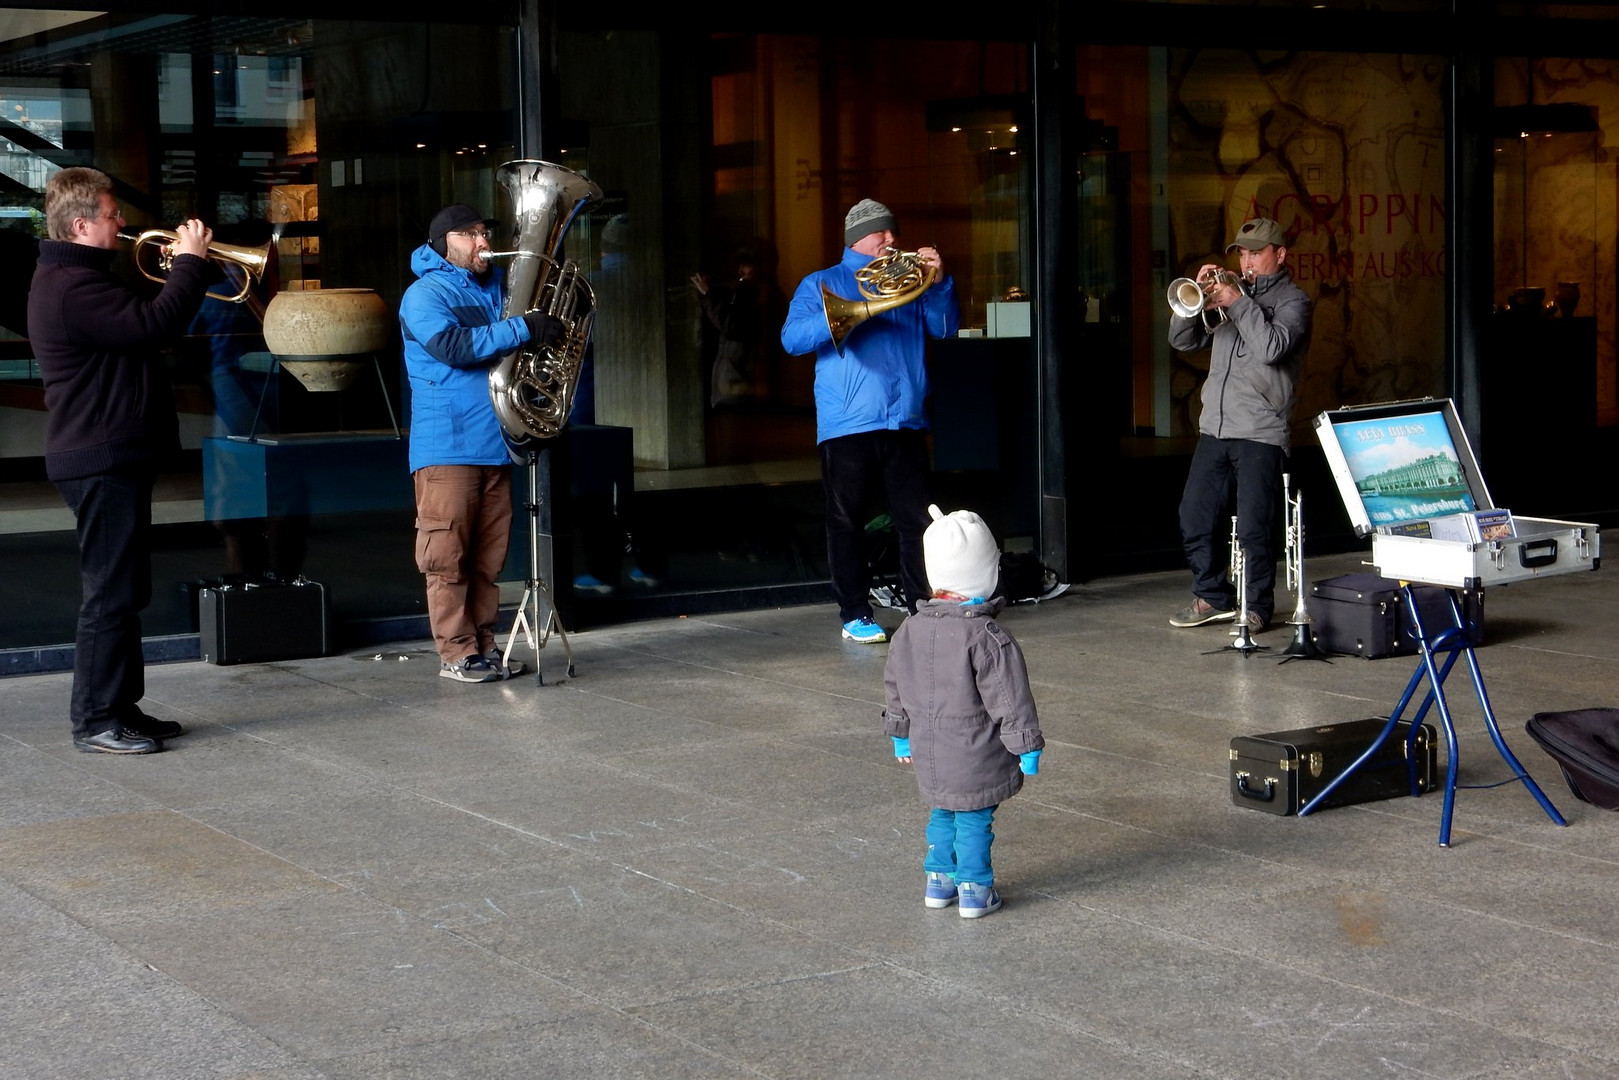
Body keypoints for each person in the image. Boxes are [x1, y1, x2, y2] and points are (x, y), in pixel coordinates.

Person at [29, 167, 213, 753]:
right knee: (109, 592)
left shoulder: (81, 278)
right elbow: (155, 324)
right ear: (82, 225)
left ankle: (120, 706)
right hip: (98, 458)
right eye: (112, 215)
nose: (123, 223)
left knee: (125, 590)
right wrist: (190, 262)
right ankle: (95, 719)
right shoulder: (71, 287)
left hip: (110, 454)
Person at [780, 198, 959, 644]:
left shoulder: (910, 278)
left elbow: (944, 328)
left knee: (917, 522)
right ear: (856, 237)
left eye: (892, 231)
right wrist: (849, 312)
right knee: (846, 521)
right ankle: (855, 613)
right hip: (848, 423)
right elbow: (792, 339)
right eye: (882, 232)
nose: (891, 239)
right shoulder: (822, 282)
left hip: (906, 419)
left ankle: (922, 607)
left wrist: (938, 284)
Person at [400, 203, 563, 683]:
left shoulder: (496, 288)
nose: (483, 242)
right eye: (470, 234)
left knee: (487, 561)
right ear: (442, 242)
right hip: (446, 447)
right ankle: (456, 654)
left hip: (495, 443)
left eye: (484, 233)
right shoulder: (423, 294)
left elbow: (515, 348)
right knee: (446, 559)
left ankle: (486, 646)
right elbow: (455, 347)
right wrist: (523, 327)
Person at [882, 504, 1044, 919]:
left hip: (930, 753)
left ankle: (939, 881)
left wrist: (901, 734)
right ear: (985, 576)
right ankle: (975, 888)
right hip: (976, 752)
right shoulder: (986, 635)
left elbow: (895, 686)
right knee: (974, 819)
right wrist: (1026, 746)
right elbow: (1009, 698)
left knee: (943, 812)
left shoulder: (909, 630)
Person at [1167, 217, 1311, 634]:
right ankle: (1212, 596)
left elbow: (1271, 348)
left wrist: (1236, 301)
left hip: (1261, 431)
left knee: (1254, 526)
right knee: (1194, 515)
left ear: (1279, 255)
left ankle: (1257, 606)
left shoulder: (1294, 302)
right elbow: (1184, 342)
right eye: (1242, 252)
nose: (1246, 260)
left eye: (1255, 252)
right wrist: (1195, 303)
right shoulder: (1236, 294)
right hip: (1215, 426)